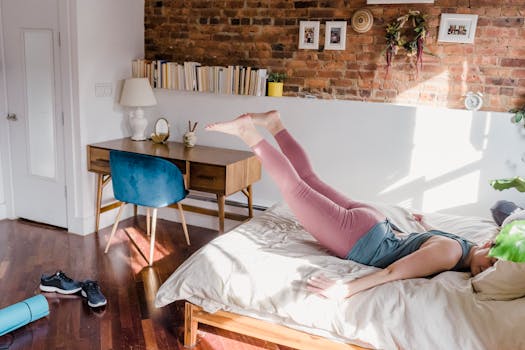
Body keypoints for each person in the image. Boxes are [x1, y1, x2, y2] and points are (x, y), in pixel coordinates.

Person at [206, 110, 498, 299]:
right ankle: (248, 132)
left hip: (375, 222)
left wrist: (424, 225)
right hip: (362, 239)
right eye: (492, 262)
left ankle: (275, 124)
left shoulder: (464, 244)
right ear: (489, 245)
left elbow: (435, 242)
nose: (487, 270)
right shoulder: (451, 255)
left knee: (308, 179)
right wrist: (345, 289)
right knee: (294, 188)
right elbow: (391, 273)